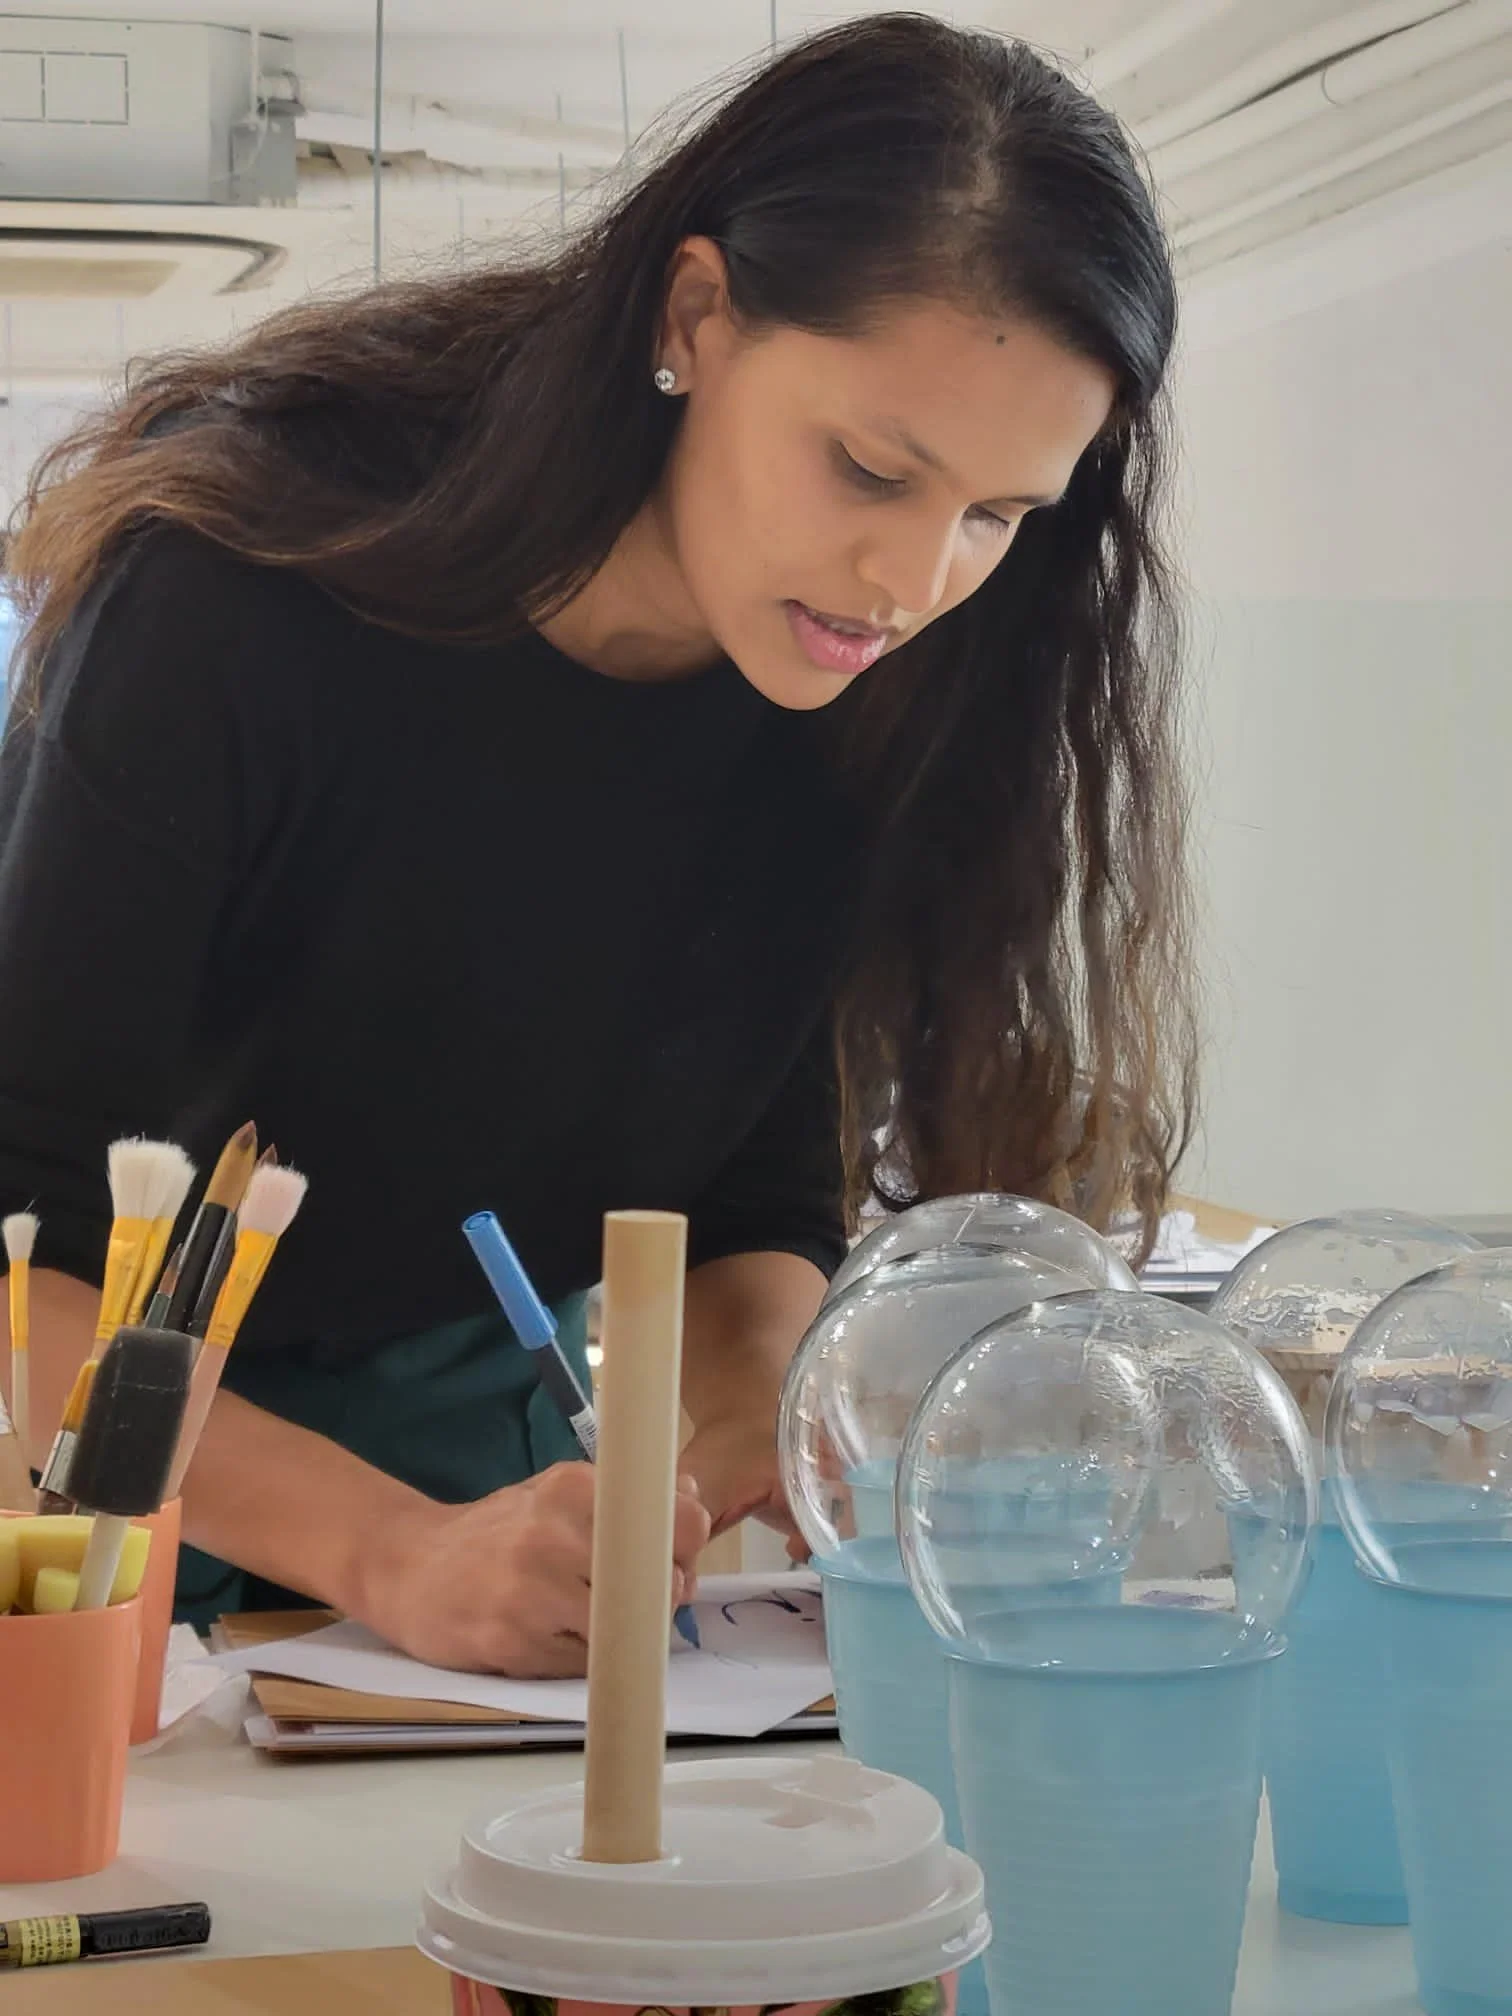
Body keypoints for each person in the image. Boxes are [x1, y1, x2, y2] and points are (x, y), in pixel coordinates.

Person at [0, 15, 1194, 1677]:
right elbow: (24, 1246)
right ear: (694, 315)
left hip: (476, 1450)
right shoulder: (233, 602)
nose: (910, 584)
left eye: (998, 516)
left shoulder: (866, 701)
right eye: (869, 466)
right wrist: (386, 1548)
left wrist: (757, 1415)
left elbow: (755, 1184)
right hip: (92, 1442)